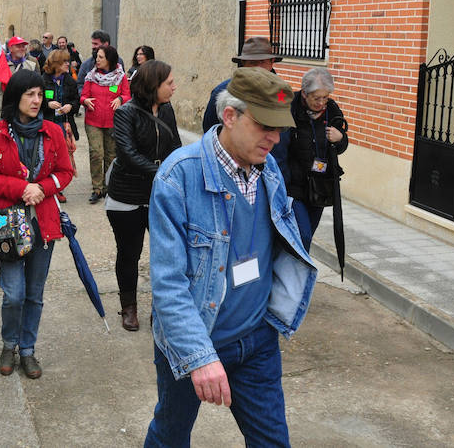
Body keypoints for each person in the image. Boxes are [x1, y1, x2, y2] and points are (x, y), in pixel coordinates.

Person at [144, 67, 317, 447]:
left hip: (257, 341)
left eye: (279, 129)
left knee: (273, 441)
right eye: (264, 126)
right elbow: (168, 284)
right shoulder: (178, 177)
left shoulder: (268, 167)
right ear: (230, 116)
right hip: (195, 340)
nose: (274, 139)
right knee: (170, 435)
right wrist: (199, 357)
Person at [0, 69, 74, 379]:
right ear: (15, 97)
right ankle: (9, 343)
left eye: (40, 94)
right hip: (8, 225)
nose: (37, 100)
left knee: (34, 293)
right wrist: (23, 189)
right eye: (30, 94)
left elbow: (66, 171)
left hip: (43, 224)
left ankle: (28, 349)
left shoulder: (53, 131)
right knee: (14, 294)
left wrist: (44, 188)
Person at [107, 60, 179, 331]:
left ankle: (160, 309)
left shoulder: (168, 110)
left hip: (159, 195)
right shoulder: (126, 112)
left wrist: (177, 172)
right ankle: (129, 307)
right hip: (126, 195)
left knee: (165, 254)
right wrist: (163, 174)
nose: (174, 87)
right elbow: (127, 154)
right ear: (153, 85)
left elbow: (175, 146)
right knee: (129, 253)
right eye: (169, 83)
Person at [286, 67, 348, 250]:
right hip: (294, 187)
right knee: (302, 234)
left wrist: (340, 139)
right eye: (316, 98)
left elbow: (341, 147)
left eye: (325, 97)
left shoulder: (332, 110)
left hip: (319, 188)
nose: (322, 103)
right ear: (305, 93)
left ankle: (297, 273)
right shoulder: (290, 105)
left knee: (307, 236)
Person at [80, 45, 130, 204]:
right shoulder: (91, 76)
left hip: (113, 122)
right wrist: (85, 100)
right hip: (93, 121)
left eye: (101, 57)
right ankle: (97, 188)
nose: (97, 60)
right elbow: (83, 96)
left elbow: (127, 95)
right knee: (96, 153)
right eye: (97, 57)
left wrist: (120, 99)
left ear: (109, 59)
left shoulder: (120, 77)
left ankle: (109, 188)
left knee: (111, 155)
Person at [201, 37, 282, 133]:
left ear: (271, 62)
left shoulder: (281, 93)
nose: (257, 68)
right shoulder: (222, 92)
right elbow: (210, 130)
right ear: (244, 63)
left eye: (262, 62)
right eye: (252, 63)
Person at [40, 48, 80, 202]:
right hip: (47, 123)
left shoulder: (69, 80)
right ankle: (48, 187)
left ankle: (59, 189)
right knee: (47, 156)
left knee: (61, 158)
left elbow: (76, 100)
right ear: (56, 63)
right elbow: (35, 101)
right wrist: (47, 104)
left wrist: (70, 106)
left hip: (64, 125)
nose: (67, 64)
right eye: (64, 61)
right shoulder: (42, 80)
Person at [77, 30, 121, 95]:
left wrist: (110, 95)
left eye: (96, 44)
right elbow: (80, 85)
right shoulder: (86, 65)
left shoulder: (118, 62)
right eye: (92, 43)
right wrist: (86, 97)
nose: (93, 47)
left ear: (106, 44)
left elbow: (118, 82)